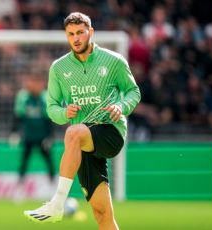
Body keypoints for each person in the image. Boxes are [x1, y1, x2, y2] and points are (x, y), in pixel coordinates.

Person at [24, 12, 140, 229]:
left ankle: (56, 203)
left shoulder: (113, 61)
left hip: (109, 131)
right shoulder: (59, 68)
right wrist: (64, 112)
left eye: (80, 32)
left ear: (91, 32)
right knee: (102, 213)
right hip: (83, 146)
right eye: (71, 34)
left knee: (73, 133)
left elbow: (133, 91)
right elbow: (52, 108)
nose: (76, 38)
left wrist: (121, 107)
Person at [13, 73, 55, 184]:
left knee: (49, 160)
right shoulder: (23, 97)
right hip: (28, 136)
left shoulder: (45, 97)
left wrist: (50, 137)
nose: (32, 85)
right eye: (30, 81)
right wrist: (14, 133)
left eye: (36, 82)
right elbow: (18, 116)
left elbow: (49, 119)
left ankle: (53, 184)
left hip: (42, 136)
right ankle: (20, 185)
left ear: (41, 84)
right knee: (24, 160)